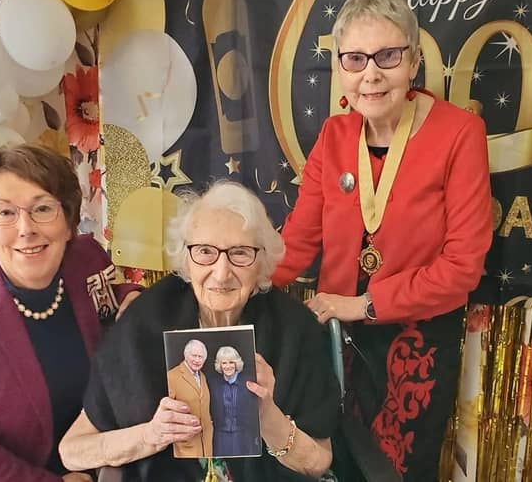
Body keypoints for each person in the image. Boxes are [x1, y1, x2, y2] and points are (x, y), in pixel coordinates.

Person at [271, 0, 493, 480]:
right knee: (334, 465)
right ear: (340, 68)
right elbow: (295, 244)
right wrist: (230, 276)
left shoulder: (459, 134)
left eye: (387, 55)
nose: (370, 73)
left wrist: (363, 304)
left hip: (416, 343)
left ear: (413, 60)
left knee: (394, 474)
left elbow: (462, 268)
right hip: (335, 339)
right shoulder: (333, 135)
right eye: (354, 58)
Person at [59, 181, 340, 482]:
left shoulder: (296, 331)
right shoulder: (143, 324)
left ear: (261, 262)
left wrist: (268, 418)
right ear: (185, 259)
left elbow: (319, 461)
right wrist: (152, 435)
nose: (221, 273)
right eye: (205, 251)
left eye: (241, 253)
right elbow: (72, 450)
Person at [0, 144, 141, 482]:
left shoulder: (86, 258)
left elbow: (112, 297)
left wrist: (133, 299)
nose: (25, 229)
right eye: (6, 212)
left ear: (69, 220)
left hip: (111, 460)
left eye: (42, 209)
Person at [209, 346, 260, 457]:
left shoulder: (249, 382)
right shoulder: (212, 384)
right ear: (220, 365)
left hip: (244, 435)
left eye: (231, 362)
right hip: (220, 436)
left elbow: (256, 411)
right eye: (224, 363)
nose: (228, 366)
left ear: (237, 364)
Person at [167, 339, 213, 457]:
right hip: (185, 448)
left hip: (206, 445)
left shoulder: (202, 376)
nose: (197, 360)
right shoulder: (172, 376)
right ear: (186, 355)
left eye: (201, 357)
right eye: (194, 356)